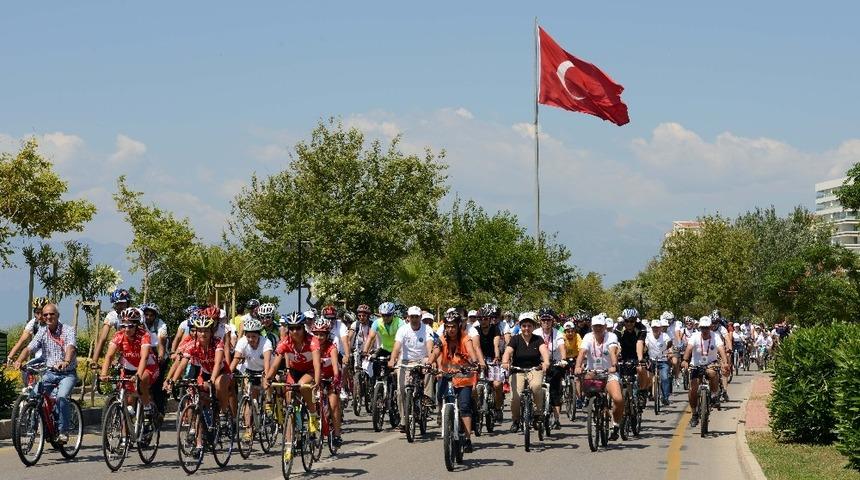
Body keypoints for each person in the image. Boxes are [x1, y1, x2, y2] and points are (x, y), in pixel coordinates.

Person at [12, 303, 77, 444]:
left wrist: (65, 361)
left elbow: (71, 347)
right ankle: (39, 427)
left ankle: (63, 431)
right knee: (33, 396)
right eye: (45, 314)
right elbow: (29, 348)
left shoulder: (68, 330)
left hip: (67, 373)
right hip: (49, 373)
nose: (48, 317)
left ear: (58, 315)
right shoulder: (42, 331)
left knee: (61, 397)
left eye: (51, 314)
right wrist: (19, 360)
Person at [165, 306, 236, 417]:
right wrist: (172, 381)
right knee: (201, 397)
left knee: (217, 384)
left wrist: (212, 379)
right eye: (200, 331)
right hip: (205, 373)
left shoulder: (217, 342)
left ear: (211, 332)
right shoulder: (192, 345)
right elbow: (182, 364)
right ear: (196, 332)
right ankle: (202, 428)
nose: (203, 334)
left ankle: (224, 412)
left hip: (222, 372)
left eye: (206, 331)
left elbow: (217, 363)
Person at [267, 312, 322, 439]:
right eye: (291, 328)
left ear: (303, 328)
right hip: (294, 371)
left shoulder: (312, 341)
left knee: (302, 386)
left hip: (309, 371)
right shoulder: (285, 342)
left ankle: (313, 413)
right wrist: (268, 378)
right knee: (289, 402)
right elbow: (275, 365)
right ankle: (289, 441)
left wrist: (317, 382)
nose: (295, 331)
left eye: (298, 328)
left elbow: (317, 364)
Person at [100, 307, 159, 416]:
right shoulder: (119, 335)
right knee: (126, 399)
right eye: (123, 325)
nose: (126, 329)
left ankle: (147, 408)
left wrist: (138, 375)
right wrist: (103, 374)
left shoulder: (144, 335)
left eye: (130, 326)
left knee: (141, 383)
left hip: (148, 366)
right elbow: (109, 356)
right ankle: (126, 428)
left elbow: (144, 357)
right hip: (129, 367)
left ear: (137, 325)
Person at [574, 313, 623, 439]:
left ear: (605, 326)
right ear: (591, 327)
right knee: (581, 379)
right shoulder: (588, 337)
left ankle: (616, 425)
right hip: (593, 372)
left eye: (600, 326)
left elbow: (613, 351)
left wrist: (614, 365)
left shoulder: (611, 336)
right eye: (595, 326)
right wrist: (577, 367)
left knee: (618, 399)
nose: (598, 329)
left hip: (609, 372)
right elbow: (582, 352)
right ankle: (591, 406)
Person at [436, 313, 479, 453]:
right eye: (447, 326)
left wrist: (474, 362)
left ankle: (467, 439)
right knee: (440, 397)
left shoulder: (465, 338)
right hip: (447, 376)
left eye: (453, 326)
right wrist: (429, 363)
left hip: (463, 377)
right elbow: (435, 351)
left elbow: (472, 353)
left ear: (458, 326)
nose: (450, 329)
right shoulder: (442, 339)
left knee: (465, 407)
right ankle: (448, 423)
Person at [388, 305, 434, 433]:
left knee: (430, 368)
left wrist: (430, 360)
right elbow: (397, 347)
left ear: (420, 317)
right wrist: (393, 360)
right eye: (412, 317)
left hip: (422, 359)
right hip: (405, 361)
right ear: (408, 317)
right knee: (401, 390)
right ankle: (404, 419)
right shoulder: (403, 330)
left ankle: (427, 397)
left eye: (416, 317)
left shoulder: (427, 329)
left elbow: (430, 345)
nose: (414, 319)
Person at [502, 312, 550, 433]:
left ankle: (538, 414)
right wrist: (505, 361)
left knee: (536, 386)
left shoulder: (538, 339)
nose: (526, 328)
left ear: (533, 326)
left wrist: (546, 362)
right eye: (524, 326)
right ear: (520, 326)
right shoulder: (515, 339)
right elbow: (508, 351)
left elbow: (544, 351)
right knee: (515, 396)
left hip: (534, 369)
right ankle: (516, 420)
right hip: (517, 370)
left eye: (529, 325)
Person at [682, 316, 729, 427]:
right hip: (696, 364)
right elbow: (689, 349)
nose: (705, 330)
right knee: (693, 390)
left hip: (711, 363)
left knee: (713, 373)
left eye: (707, 328)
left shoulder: (715, 336)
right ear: (700, 328)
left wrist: (725, 363)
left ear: (710, 327)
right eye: (703, 328)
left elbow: (721, 349)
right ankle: (694, 414)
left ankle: (714, 394)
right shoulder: (694, 336)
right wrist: (685, 360)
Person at [310, 316, 344, 448]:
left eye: (322, 334)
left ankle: (336, 434)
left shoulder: (332, 347)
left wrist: (335, 377)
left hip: (331, 378)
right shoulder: (312, 347)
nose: (319, 337)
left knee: (333, 405)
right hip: (317, 378)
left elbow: (335, 366)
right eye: (316, 334)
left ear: (327, 334)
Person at [534, 307, 567, 429]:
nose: (546, 322)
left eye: (548, 320)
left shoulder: (557, 333)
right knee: (534, 387)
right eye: (543, 320)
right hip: (539, 364)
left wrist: (563, 360)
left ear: (552, 321)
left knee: (554, 391)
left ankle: (557, 419)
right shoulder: (536, 333)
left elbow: (562, 346)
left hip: (555, 364)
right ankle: (534, 412)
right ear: (540, 321)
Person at [6, 296, 49, 386]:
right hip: (39, 356)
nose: (40, 316)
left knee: (48, 381)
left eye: (42, 313)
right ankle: (31, 391)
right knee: (25, 370)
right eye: (37, 313)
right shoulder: (33, 323)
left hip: (52, 356)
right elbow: (21, 341)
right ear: (34, 313)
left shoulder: (52, 322)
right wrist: (10, 356)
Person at [613, 307, 648, 405]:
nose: (629, 323)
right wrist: (614, 360)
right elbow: (616, 345)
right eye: (626, 321)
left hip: (637, 353)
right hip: (623, 354)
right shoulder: (618, 328)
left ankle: (642, 392)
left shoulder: (641, 328)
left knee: (641, 369)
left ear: (635, 320)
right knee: (616, 375)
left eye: (632, 321)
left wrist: (640, 359)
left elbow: (640, 343)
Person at [362, 302, 404, 381]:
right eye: (383, 315)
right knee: (374, 363)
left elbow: (402, 339)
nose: (385, 317)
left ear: (393, 314)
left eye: (388, 315)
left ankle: (395, 388)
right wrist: (365, 351)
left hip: (398, 350)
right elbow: (370, 338)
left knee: (396, 372)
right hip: (384, 349)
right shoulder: (377, 323)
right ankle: (374, 385)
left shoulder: (399, 322)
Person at [476, 304, 504, 419]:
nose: (483, 321)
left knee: (497, 385)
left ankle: (497, 408)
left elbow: (496, 344)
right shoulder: (475, 330)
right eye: (481, 319)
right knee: (473, 386)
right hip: (479, 359)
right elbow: (475, 346)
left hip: (493, 359)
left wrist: (497, 356)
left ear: (490, 319)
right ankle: (475, 410)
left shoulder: (495, 329)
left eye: (486, 318)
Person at [90, 288, 131, 367]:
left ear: (127, 303)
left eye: (122, 303)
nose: (120, 306)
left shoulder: (135, 314)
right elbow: (102, 338)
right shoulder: (112, 315)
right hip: (122, 347)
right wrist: (94, 360)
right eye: (117, 304)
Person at [645, 319, 673, 406]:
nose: (655, 329)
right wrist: (644, 352)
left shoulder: (664, 336)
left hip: (663, 360)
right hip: (651, 361)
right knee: (647, 378)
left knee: (665, 378)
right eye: (654, 327)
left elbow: (669, 343)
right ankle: (646, 395)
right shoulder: (648, 336)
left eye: (657, 327)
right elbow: (645, 346)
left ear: (660, 328)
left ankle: (665, 397)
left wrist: (669, 351)